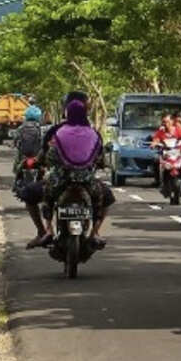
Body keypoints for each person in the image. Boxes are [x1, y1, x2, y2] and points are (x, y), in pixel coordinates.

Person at [37, 92, 115, 249]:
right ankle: (94, 233)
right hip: (87, 180)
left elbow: (51, 156)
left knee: (48, 197)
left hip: (61, 179)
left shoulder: (59, 132)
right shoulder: (93, 134)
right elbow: (99, 157)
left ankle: (48, 230)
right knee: (105, 199)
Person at [13, 105, 48, 243]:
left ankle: (17, 187)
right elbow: (45, 145)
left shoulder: (20, 129)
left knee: (17, 171)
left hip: (23, 160)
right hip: (38, 160)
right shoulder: (42, 129)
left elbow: (16, 143)